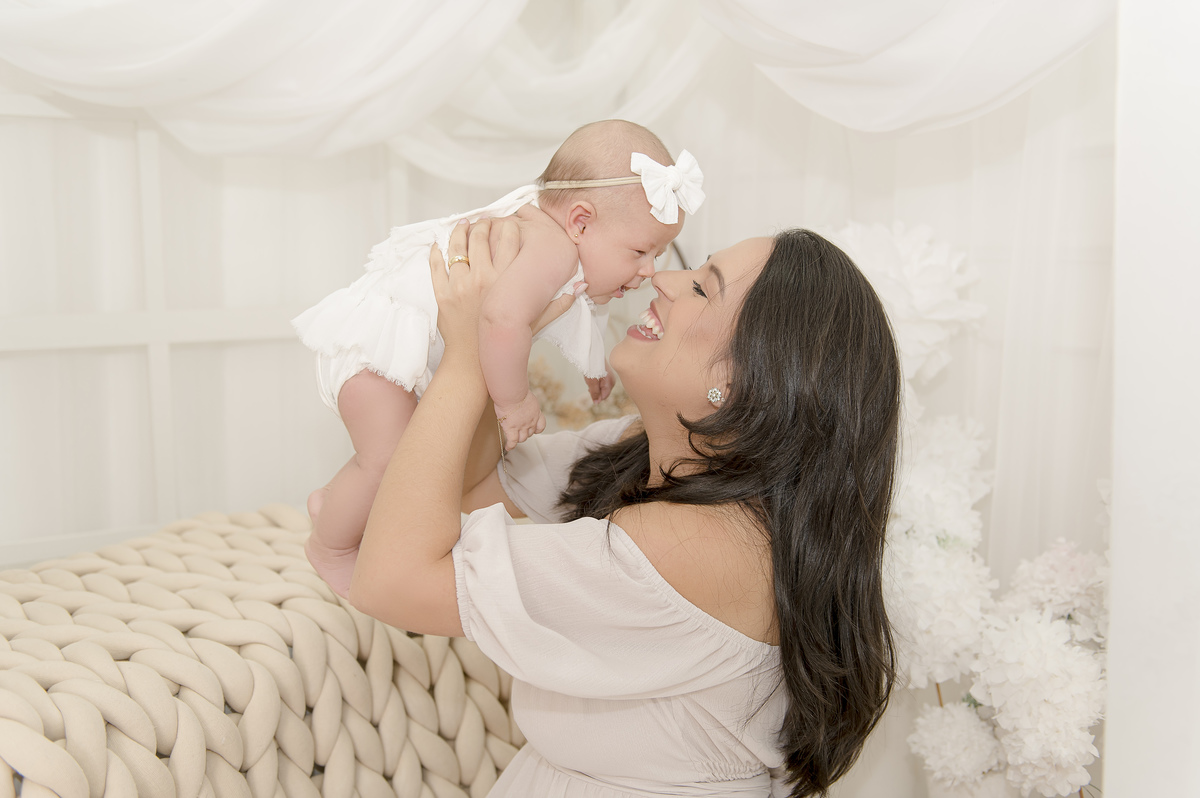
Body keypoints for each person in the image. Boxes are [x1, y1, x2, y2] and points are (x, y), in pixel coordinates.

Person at [350, 219, 902, 797]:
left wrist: (466, 354)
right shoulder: (645, 451)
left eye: (702, 287)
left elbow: (388, 580)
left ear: (749, 380)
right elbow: (469, 485)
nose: (664, 279)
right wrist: (501, 334)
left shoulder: (690, 544)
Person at [293, 120, 704, 597]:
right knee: (388, 462)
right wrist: (514, 402)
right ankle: (330, 547)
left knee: (400, 460)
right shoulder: (552, 248)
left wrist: (596, 367)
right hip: (373, 354)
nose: (649, 270)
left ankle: (335, 502)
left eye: (657, 254)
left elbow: (572, 311)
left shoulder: (553, 240)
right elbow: (502, 320)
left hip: (396, 357)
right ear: (580, 222)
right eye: (640, 251)